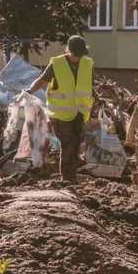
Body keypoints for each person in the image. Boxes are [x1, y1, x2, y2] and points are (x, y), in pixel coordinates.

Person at [25, 35, 94, 184]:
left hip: (79, 112)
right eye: (76, 55)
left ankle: (72, 177)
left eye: (81, 55)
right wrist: (30, 91)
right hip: (60, 114)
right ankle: (67, 179)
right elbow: (42, 80)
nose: (78, 58)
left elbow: (89, 85)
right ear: (69, 51)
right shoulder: (57, 64)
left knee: (76, 144)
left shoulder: (87, 63)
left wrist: (97, 100)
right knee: (68, 143)